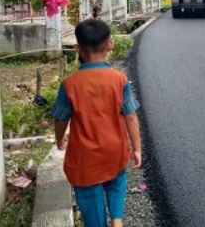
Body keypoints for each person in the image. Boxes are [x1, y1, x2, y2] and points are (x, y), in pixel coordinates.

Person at [51, 19, 142, 227]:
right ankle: (117, 220)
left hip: (84, 158)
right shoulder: (119, 80)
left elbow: (60, 118)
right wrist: (137, 148)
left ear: (77, 48)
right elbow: (130, 115)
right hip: (114, 151)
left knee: (89, 198)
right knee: (117, 183)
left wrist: (59, 141)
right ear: (110, 45)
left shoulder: (70, 84)